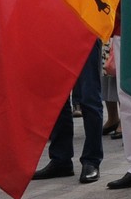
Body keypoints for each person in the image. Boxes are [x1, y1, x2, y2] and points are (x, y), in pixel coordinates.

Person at [31, 42, 105, 184]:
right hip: (57, 31)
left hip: (87, 27)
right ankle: (60, 159)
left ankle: (92, 160)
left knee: (89, 96)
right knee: (56, 97)